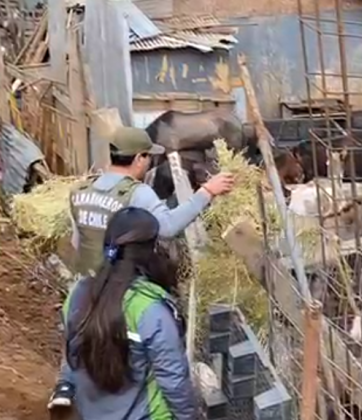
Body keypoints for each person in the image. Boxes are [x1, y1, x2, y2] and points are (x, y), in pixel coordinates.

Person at [50, 126, 235, 409]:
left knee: (81, 333)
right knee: (124, 347)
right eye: (148, 157)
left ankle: (66, 385)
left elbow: (78, 240)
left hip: (85, 283)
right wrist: (206, 193)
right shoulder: (138, 194)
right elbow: (168, 227)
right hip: (119, 287)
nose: (149, 163)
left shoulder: (81, 190)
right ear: (138, 158)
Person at [62, 207, 199, 419]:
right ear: (150, 250)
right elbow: (173, 379)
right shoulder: (150, 309)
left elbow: (71, 357)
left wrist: (64, 386)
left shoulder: (78, 295)